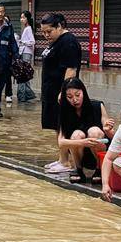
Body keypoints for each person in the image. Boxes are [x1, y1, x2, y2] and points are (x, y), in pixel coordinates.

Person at [39, 13, 83, 173]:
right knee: (58, 126)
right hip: (51, 91)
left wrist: (64, 92)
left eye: (49, 31)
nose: (46, 35)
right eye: (43, 32)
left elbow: (71, 69)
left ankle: (67, 162)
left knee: (64, 126)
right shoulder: (56, 42)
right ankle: (62, 159)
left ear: (59, 26)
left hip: (60, 92)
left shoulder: (68, 42)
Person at [56, 77, 114, 182]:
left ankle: (100, 169)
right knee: (77, 134)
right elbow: (61, 142)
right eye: (69, 97)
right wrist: (83, 142)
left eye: (77, 95)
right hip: (79, 154)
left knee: (94, 131)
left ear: (84, 92)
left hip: (99, 152)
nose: (75, 100)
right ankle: (78, 169)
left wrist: (107, 130)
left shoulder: (97, 106)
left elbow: (114, 138)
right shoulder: (65, 112)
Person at [16, 11, 36, 102]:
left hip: (26, 53)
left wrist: (22, 42)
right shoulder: (26, 28)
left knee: (23, 74)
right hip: (25, 53)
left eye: (23, 17)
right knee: (24, 74)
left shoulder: (28, 29)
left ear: (27, 19)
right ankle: (27, 95)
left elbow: (32, 42)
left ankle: (23, 95)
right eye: (21, 17)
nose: (21, 19)